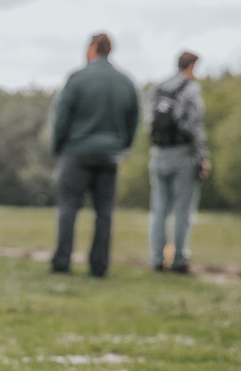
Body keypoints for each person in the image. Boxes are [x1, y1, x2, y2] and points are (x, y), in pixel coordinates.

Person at [49, 33, 140, 278]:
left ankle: (62, 262)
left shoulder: (77, 79)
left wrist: (57, 146)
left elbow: (62, 118)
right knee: (104, 213)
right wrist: (122, 145)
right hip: (110, 155)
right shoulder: (126, 82)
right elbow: (134, 120)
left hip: (76, 153)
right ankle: (99, 266)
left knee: (68, 208)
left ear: (91, 49)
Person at [148, 51, 210, 274]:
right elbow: (195, 125)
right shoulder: (190, 89)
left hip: (158, 154)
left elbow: (150, 122)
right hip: (183, 155)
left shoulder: (159, 87)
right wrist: (203, 157)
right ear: (192, 66)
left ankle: (156, 258)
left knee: (159, 210)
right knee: (183, 210)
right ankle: (179, 260)